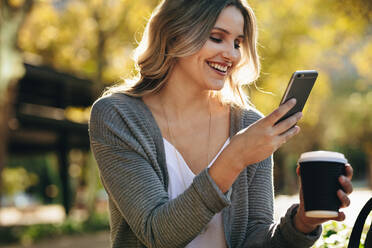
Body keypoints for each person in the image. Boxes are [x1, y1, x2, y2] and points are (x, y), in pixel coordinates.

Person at [89, 0, 354, 247]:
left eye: (238, 43)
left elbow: (256, 237)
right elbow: (156, 233)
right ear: (174, 34)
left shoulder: (249, 125)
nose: (232, 55)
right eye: (217, 38)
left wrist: (301, 223)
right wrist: (235, 156)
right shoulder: (117, 116)